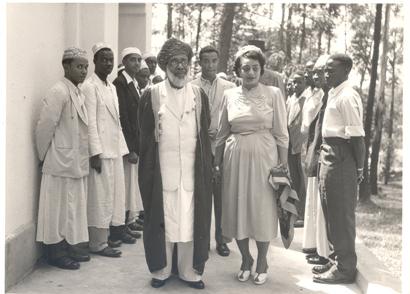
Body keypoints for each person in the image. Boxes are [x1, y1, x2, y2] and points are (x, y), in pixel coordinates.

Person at [138, 38, 213, 290]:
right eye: (174, 62)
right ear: (164, 66)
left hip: (192, 170)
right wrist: (147, 175)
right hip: (163, 170)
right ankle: (161, 271)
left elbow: (204, 135)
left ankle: (189, 272)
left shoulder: (199, 95)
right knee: (165, 218)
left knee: (190, 219)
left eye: (184, 61)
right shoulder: (152, 94)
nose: (180, 67)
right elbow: (145, 139)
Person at [214, 45, 289, 285]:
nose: (250, 72)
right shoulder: (228, 95)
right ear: (237, 71)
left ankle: (263, 260)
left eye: (255, 68)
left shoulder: (274, 94)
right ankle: (245, 259)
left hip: (265, 159)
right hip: (234, 159)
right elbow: (221, 133)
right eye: (245, 68)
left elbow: (282, 134)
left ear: (262, 70)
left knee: (262, 209)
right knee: (238, 209)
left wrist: (283, 165)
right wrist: (217, 163)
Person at [35, 47, 90, 270]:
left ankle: (67, 247)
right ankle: (55, 253)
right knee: (56, 208)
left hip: (72, 161)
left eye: (86, 67)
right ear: (66, 67)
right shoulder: (58, 91)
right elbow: (44, 126)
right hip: (58, 160)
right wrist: (43, 155)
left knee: (70, 207)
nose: (84, 71)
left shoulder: (77, 92)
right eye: (79, 66)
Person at [313, 54, 365, 284]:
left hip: (342, 155)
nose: (326, 73)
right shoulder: (334, 93)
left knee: (341, 214)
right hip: (329, 153)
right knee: (330, 209)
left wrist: (359, 167)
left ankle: (345, 268)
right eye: (325, 69)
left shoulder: (347, 96)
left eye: (331, 69)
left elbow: (357, 137)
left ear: (346, 70)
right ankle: (336, 259)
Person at [82, 42, 129, 257]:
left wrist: (121, 148)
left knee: (112, 196)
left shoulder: (110, 87)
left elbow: (116, 120)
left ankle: (109, 235)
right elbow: (90, 122)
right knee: (99, 198)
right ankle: (97, 244)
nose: (108, 63)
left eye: (111, 59)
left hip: (115, 148)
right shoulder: (89, 86)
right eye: (104, 59)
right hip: (101, 151)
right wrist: (95, 152)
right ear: (95, 62)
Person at [191, 45, 235, 257]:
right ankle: (202, 240)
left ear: (218, 62)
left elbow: (233, 118)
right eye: (205, 61)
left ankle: (222, 239)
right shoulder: (190, 86)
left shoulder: (229, 87)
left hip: (221, 147)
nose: (209, 65)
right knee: (201, 196)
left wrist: (221, 134)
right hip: (198, 147)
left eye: (213, 61)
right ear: (199, 63)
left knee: (221, 196)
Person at [300, 55, 331, 266]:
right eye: (316, 72)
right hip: (311, 152)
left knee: (322, 207)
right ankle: (317, 248)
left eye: (322, 72)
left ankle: (325, 252)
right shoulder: (321, 95)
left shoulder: (330, 96)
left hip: (324, 157)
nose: (317, 76)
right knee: (313, 204)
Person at [113, 47, 144, 241]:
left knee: (129, 187)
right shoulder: (120, 83)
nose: (136, 63)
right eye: (132, 60)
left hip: (134, 143)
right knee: (123, 187)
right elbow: (123, 118)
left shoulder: (131, 83)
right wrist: (130, 148)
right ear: (124, 62)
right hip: (126, 145)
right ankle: (120, 227)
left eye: (138, 60)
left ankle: (126, 223)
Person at [287, 71, 308, 228]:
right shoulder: (290, 99)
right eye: (294, 82)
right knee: (292, 179)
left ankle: (302, 213)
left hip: (301, 145)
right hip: (289, 144)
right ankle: (292, 211)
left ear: (305, 83)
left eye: (299, 82)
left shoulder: (306, 100)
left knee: (302, 181)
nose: (296, 85)